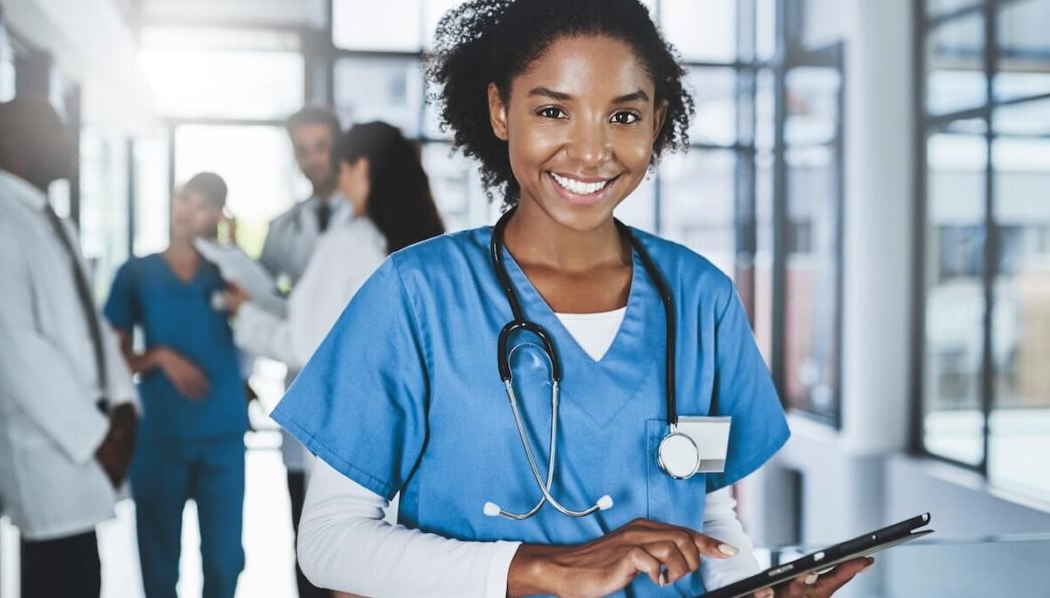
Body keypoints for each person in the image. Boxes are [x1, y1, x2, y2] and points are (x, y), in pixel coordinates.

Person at [270, 1, 873, 597]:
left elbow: (709, 517)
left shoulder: (700, 298)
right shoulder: (416, 294)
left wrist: (750, 589)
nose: (590, 152)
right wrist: (542, 568)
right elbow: (328, 540)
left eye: (623, 117)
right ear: (500, 110)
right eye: (554, 110)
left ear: (658, 120)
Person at [0, 98, 138, 598]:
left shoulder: (51, 221)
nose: (69, 145)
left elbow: (91, 326)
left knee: (83, 577)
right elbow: (21, 357)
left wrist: (124, 405)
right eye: (56, 133)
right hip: (48, 450)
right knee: (61, 580)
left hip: (83, 444)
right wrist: (102, 438)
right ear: (17, 146)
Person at [104, 173, 248, 598]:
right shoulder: (135, 274)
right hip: (160, 436)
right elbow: (114, 357)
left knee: (224, 565)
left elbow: (261, 327)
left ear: (217, 217)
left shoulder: (228, 273)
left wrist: (233, 253)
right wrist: (159, 357)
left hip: (222, 433)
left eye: (203, 205)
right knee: (160, 567)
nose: (188, 209)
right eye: (184, 197)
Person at [229, 121, 445, 370]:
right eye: (303, 150)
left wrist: (245, 313)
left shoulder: (347, 243)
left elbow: (306, 347)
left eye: (341, 169)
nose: (340, 181)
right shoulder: (429, 243)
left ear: (361, 169)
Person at [258, 105, 352, 598]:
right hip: (305, 394)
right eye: (303, 149)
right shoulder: (283, 228)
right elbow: (273, 305)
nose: (314, 159)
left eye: (322, 146)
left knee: (356, 542)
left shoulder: (363, 223)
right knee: (307, 539)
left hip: (352, 398)